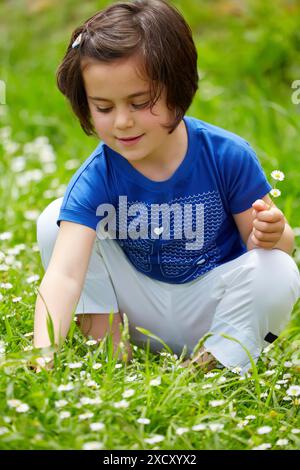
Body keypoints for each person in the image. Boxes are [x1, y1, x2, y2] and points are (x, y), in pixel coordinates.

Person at [33, 0, 300, 375]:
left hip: (212, 308)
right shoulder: (98, 175)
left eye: (140, 102)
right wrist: (44, 354)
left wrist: (273, 233)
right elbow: (64, 274)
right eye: (104, 108)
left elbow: (273, 250)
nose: (123, 121)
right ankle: (109, 346)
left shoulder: (226, 156)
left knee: (280, 270)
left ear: (177, 88)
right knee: (53, 221)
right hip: (139, 315)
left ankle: (214, 364)